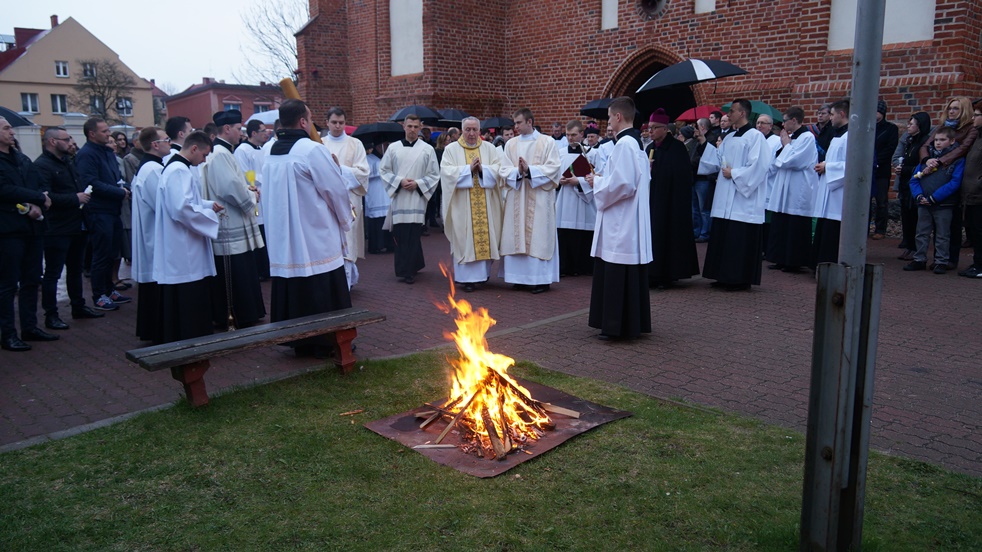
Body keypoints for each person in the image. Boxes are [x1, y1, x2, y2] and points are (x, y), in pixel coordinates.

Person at [261, 99, 352, 357]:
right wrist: (345, 219)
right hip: (314, 235)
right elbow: (334, 189)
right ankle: (326, 341)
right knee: (322, 284)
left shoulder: (269, 152)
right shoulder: (312, 150)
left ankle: (298, 340)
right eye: (310, 118)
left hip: (283, 236)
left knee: (293, 285)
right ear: (303, 121)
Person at [583, 97, 651, 340]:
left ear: (619, 117)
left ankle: (615, 325)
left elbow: (624, 184)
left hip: (621, 220)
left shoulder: (624, 145)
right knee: (623, 269)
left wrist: (597, 181)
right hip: (627, 217)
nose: (608, 122)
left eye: (610, 117)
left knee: (616, 268)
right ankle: (629, 323)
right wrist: (605, 177)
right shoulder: (635, 143)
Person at [153, 131, 223, 344]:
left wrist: (208, 205)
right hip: (183, 246)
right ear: (193, 149)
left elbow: (188, 201)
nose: (204, 160)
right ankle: (191, 339)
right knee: (188, 293)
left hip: (182, 243)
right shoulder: (178, 171)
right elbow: (181, 208)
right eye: (203, 154)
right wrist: (210, 217)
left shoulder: (178, 168)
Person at [200, 110, 265, 329]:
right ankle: (240, 314)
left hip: (233, 217)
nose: (241, 133)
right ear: (226, 129)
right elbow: (228, 188)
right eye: (239, 129)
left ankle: (248, 312)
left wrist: (247, 187)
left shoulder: (225, 152)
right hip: (229, 220)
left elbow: (234, 182)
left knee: (243, 268)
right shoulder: (219, 154)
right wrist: (251, 196)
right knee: (235, 270)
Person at [35, 126, 102, 332]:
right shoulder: (42, 165)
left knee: (75, 269)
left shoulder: (68, 162)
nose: (70, 142)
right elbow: (45, 196)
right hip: (57, 227)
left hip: (76, 224)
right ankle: (51, 314)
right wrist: (75, 198)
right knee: (53, 273)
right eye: (65, 139)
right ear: (53, 142)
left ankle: (78, 306)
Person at [700, 99, 771, 290]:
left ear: (742, 113)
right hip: (725, 197)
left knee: (738, 238)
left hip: (742, 199)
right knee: (724, 235)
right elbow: (717, 159)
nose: (728, 115)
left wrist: (735, 174)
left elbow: (760, 165)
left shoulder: (755, 137)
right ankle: (721, 274)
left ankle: (738, 278)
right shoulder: (730, 137)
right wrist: (702, 143)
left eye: (732, 111)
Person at [0, 117, 58, 352]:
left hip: (33, 228)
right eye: (5, 128)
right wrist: (35, 199)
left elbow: (37, 182)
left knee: (32, 279)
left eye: (10, 127)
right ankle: (8, 333)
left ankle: (30, 326)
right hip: (8, 230)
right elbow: (4, 189)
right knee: (7, 285)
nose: (11, 131)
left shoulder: (20, 157)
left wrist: (38, 202)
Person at [497, 108, 562, 294]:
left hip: (539, 198)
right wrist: (518, 171)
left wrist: (530, 170)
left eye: (518, 123)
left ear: (530, 122)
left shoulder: (547, 142)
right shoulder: (510, 145)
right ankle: (519, 279)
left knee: (538, 237)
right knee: (516, 235)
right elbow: (503, 169)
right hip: (517, 197)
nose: (515, 127)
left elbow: (554, 168)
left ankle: (540, 280)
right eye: (514, 123)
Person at [439, 116, 504, 292]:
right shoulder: (452, 149)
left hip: (486, 203)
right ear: (462, 130)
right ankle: (466, 279)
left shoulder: (489, 148)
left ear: (479, 130)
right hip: (463, 205)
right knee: (464, 237)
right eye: (468, 129)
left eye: (475, 129)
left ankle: (483, 276)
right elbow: (446, 173)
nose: (472, 133)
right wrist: (468, 169)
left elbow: (499, 169)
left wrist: (483, 170)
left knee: (485, 236)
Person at [75, 117, 131, 311]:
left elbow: (116, 178)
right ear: (92, 134)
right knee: (101, 254)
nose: (109, 134)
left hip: (113, 209)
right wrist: (118, 192)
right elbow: (91, 182)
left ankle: (109, 289)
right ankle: (99, 295)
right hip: (99, 211)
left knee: (111, 253)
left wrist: (124, 188)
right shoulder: (86, 155)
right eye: (104, 131)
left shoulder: (106, 152)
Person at [919, 96, 978, 270]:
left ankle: (949, 258)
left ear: (964, 111)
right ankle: (934, 258)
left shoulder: (970, 129)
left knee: (951, 224)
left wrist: (940, 161)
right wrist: (928, 159)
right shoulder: (941, 128)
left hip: (954, 175)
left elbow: (962, 149)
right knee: (930, 226)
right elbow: (925, 146)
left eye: (956, 109)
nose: (952, 111)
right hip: (934, 175)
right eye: (950, 108)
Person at [380, 114, 440, 284]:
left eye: (415, 127)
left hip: (416, 198)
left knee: (413, 234)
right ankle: (405, 268)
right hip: (400, 197)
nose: (412, 130)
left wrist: (419, 183)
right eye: (409, 126)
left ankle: (410, 270)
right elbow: (384, 171)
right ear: (404, 126)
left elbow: (435, 174)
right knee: (400, 234)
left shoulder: (427, 149)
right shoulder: (393, 148)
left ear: (420, 128)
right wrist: (400, 181)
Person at [645, 108, 699, 288]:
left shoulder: (677, 148)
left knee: (669, 236)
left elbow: (683, 175)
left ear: (665, 128)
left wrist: (660, 172)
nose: (650, 131)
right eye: (649, 127)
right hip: (653, 200)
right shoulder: (649, 148)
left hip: (672, 202)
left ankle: (668, 274)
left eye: (654, 128)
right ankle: (652, 272)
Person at [904, 126, 965, 274]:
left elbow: (955, 183)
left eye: (942, 140)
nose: (938, 143)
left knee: (943, 234)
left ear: (951, 141)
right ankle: (919, 258)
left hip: (944, 204)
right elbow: (914, 180)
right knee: (921, 232)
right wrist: (919, 196)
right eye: (936, 140)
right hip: (923, 203)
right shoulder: (927, 159)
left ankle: (941, 261)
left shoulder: (956, 160)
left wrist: (934, 198)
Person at [764, 107, 818, 272]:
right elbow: (776, 160)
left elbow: (794, 161)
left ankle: (794, 261)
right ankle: (780, 258)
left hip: (798, 188)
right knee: (781, 223)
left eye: (785, 120)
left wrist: (786, 145)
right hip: (784, 187)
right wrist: (785, 145)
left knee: (795, 225)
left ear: (794, 120)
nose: (783, 123)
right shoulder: (789, 137)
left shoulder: (807, 137)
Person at [130, 126, 171, 342]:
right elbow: (163, 204)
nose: (170, 143)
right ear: (155, 145)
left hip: (150, 233)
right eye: (167, 139)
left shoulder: (147, 167)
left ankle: (154, 328)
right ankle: (158, 329)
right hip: (154, 235)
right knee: (157, 286)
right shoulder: (153, 170)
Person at [322, 107, 369, 289]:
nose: (338, 126)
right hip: (326, 201)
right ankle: (331, 284)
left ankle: (346, 284)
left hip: (350, 199)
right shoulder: (320, 143)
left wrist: (339, 168)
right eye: (334, 122)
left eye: (341, 122)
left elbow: (364, 172)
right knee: (330, 242)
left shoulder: (355, 144)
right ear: (327, 123)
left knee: (347, 241)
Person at [556, 120, 600, 277]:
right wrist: (558, 181)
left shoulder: (592, 154)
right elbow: (553, 174)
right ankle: (565, 267)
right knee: (565, 234)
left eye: (574, 135)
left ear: (582, 134)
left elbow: (599, 177)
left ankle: (582, 267)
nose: (570, 138)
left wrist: (579, 181)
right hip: (564, 199)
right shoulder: (560, 153)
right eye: (568, 135)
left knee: (582, 235)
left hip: (583, 201)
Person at [812, 98, 850, 267]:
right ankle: (819, 265)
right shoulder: (838, 135)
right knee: (824, 227)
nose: (831, 118)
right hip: (829, 190)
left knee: (832, 231)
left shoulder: (850, 136)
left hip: (839, 194)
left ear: (842, 114)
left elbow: (852, 165)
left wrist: (828, 166)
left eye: (833, 114)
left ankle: (829, 266)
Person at [234, 119, 271, 281]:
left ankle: (267, 268)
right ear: (254, 133)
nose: (266, 133)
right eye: (263, 131)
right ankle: (260, 270)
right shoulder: (242, 150)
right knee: (258, 233)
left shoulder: (262, 149)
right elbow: (244, 174)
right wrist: (264, 180)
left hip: (265, 196)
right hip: (254, 195)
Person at [893, 112, 933, 261]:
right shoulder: (910, 141)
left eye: (911, 124)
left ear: (920, 126)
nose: (908, 126)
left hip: (916, 183)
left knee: (915, 218)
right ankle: (909, 246)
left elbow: (921, 165)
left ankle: (915, 248)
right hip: (906, 183)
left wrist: (905, 169)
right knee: (906, 217)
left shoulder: (923, 143)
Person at [957, 104, 982, 278]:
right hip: (970, 195)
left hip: (979, 195)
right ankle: (977, 264)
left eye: (977, 115)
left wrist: (978, 185)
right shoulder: (977, 138)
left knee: (979, 231)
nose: (973, 118)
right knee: (974, 231)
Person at [871, 100, 899, 240]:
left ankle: (880, 229)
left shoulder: (890, 129)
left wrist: (875, 161)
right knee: (865, 201)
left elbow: (890, 149)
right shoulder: (867, 127)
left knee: (881, 201)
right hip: (867, 171)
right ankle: (863, 228)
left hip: (881, 171)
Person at [364, 142, 393, 254]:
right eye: (384, 145)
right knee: (376, 220)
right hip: (374, 193)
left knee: (387, 217)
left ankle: (389, 244)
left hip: (385, 193)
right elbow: (366, 173)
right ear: (377, 146)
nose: (385, 148)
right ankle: (376, 245)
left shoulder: (386, 158)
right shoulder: (368, 158)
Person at [691, 117, 714, 242]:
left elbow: (704, 158)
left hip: (703, 178)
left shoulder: (709, 140)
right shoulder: (696, 140)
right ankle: (696, 231)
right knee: (695, 208)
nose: (694, 130)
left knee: (703, 208)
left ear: (702, 128)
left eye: (696, 127)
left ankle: (705, 233)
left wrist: (690, 163)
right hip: (694, 177)